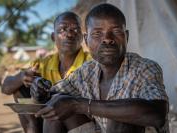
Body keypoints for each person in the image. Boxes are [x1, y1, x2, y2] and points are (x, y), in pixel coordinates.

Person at [35, 3, 169, 133]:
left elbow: (158, 114)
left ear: (126, 37)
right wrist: (41, 89)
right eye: (97, 34)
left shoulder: (145, 68)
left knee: (122, 118)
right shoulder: (86, 72)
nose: (107, 39)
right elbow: (54, 92)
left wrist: (78, 105)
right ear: (86, 40)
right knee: (57, 106)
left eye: (116, 31)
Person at [1, 12, 93, 133]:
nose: (69, 34)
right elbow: (5, 87)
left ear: (82, 37)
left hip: (78, 123)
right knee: (20, 88)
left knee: (57, 104)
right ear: (53, 37)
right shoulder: (43, 64)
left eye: (75, 30)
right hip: (48, 125)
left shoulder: (91, 61)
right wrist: (24, 76)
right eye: (62, 29)